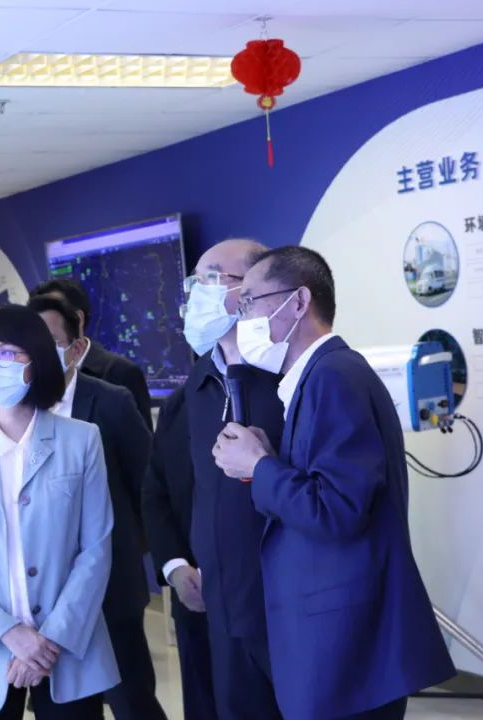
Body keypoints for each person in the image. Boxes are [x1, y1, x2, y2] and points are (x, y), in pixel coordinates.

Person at [212, 246, 456, 719]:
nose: (244, 319)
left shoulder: (333, 378)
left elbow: (337, 510)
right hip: (337, 633)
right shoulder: (317, 378)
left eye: (251, 302)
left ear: (299, 301)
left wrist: (260, 467)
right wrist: (265, 460)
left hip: (346, 643)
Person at [0, 304, 118, 719]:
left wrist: (49, 641)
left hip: (67, 645)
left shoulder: (81, 440)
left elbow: (96, 548)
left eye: (7, 353)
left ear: (37, 360)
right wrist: (10, 634)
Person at [27, 295, 165, 720]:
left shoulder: (110, 400)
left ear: (74, 348)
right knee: (66, 704)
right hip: (46, 592)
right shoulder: (16, 407)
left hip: (110, 583)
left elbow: (147, 484)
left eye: (49, 342)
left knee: (131, 697)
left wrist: (131, 550)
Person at [179, 239, 284, 720]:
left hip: (283, 601)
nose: (196, 293)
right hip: (223, 598)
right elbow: (191, 486)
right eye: (195, 280)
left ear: (250, 288)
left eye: (211, 278)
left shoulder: (291, 374)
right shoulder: (200, 383)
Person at [141, 386, 218, 720]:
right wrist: (175, 566)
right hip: (193, 593)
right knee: (203, 702)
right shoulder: (180, 404)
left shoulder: (276, 393)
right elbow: (155, 492)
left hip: (262, 603)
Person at [30, 279, 152, 429]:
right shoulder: (30, 381)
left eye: (55, 309)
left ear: (78, 319)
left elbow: (141, 441)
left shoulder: (121, 373)